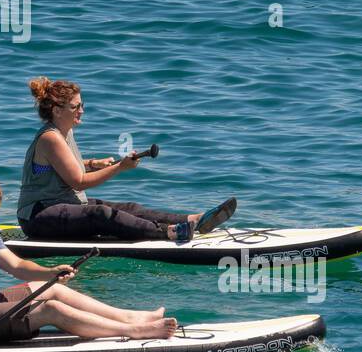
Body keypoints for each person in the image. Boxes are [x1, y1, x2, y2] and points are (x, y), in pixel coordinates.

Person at [0, 174, 178, 349]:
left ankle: (131, 318)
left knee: (54, 289)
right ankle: (134, 332)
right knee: (50, 308)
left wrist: (50, 272)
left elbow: (17, 266)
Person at [17, 76, 237, 244]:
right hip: (39, 216)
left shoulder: (65, 132)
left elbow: (60, 166)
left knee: (129, 207)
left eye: (82, 105)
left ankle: (193, 219)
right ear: (56, 110)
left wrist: (93, 163)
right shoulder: (50, 138)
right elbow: (79, 182)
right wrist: (119, 168)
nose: (82, 111)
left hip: (63, 205)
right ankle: (168, 232)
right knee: (101, 214)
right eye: (75, 107)